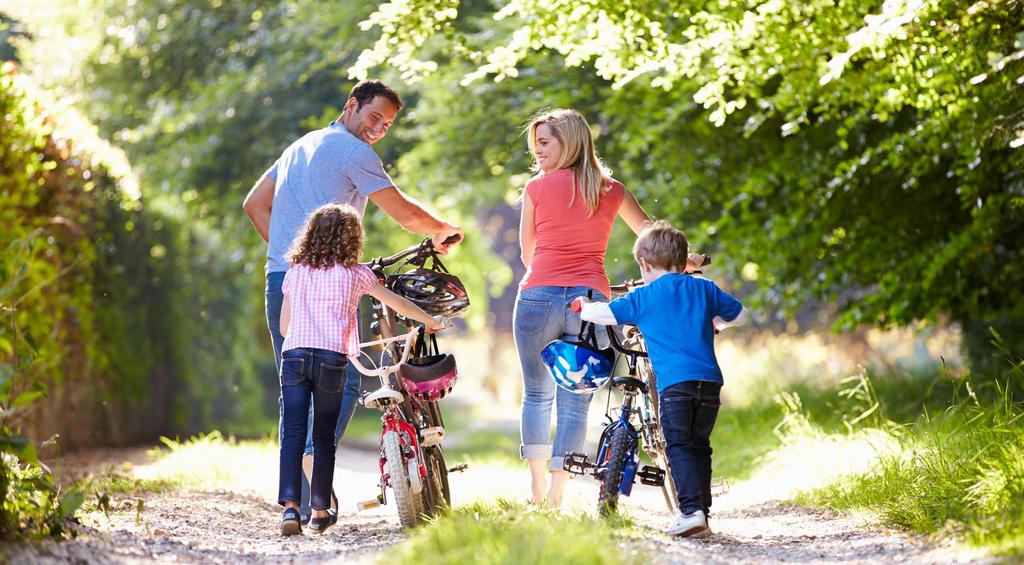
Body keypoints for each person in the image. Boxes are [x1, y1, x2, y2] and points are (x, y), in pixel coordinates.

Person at [243, 79, 463, 523]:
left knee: (295, 384)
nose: (378, 129)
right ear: (351, 106)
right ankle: (311, 461)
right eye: (373, 117)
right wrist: (442, 229)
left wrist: (297, 257)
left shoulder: (300, 145)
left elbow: (254, 204)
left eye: (386, 125)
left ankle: (303, 505)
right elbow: (401, 212)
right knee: (339, 378)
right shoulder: (353, 151)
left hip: (282, 279)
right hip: (331, 285)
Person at [278, 203, 447, 536]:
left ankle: (289, 511)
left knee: (293, 434)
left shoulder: (295, 271)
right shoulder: (356, 274)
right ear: (352, 238)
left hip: (294, 356)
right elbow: (397, 304)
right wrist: (431, 321)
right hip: (331, 359)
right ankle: (320, 510)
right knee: (323, 437)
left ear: (310, 235)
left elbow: (285, 326)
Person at [514, 108, 654, 508]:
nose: (537, 151)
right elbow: (649, 234)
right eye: (535, 144)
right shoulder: (612, 190)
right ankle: (558, 491)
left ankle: (537, 491)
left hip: (537, 295)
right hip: (590, 302)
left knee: (537, 394)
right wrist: (687, 258)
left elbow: (528, 253)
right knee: (576, 397)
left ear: (570, 141)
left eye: (544, 143)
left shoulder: (536, 189)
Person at [575, 221, 747, 538]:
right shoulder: (704, 288)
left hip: (674, 385)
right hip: (709, 383)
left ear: (644, 263)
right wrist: (715, 324)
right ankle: (701, 511)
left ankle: (691, 512)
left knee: (678, 446)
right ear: (684, 263)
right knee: (699, 446)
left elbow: (606, 314)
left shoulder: (645, 296)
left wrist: (584, 307)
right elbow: (739, 314)